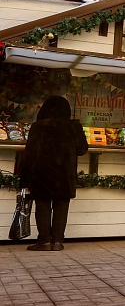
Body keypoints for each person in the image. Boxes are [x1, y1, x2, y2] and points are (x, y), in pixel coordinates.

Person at [19, 96, 88, 251]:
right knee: (61, 207)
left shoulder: (38, 127)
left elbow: (29, 154)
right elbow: (82, 149)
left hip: (42, 174)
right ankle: (57, 242)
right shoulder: (74, 127)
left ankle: (43, 241)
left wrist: (25, 180)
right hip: (65, 174)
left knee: (42, 206)